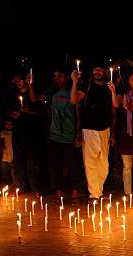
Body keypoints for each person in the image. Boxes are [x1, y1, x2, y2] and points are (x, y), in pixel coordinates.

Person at [27, 68, 80, 203]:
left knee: (72, 165)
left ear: (66, 77)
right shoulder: (51, 92)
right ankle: (59, 194)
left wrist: (78, 134)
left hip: (69, 135)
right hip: (54, 135)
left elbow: (79, 114)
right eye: (54, 76)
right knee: (55, 165)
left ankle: (75, 193)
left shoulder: (73, 91)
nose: (56, 78)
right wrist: (30, 85)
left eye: (59, 76)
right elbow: (34, 98)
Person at [70, 63, 115, 202]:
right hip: (88, 129)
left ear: (105, 71)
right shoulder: (87, 86)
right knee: (90, 163)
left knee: (104, 165)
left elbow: (115, 109)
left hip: (105, 130)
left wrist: (112, 133)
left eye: (100, 68)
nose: (97, 71)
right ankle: (94, 194)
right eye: (95, 68)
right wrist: (75, 82)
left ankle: (97, 191)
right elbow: (73, 100)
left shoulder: (110, 87)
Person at [5, 72, 46, 193]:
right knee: (18, 161)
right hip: (18, 132)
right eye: (15, 80)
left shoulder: (34, 93)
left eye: (20, 80)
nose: (18, 82)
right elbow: (6, 110)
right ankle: (22, 187)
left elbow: (42, 113)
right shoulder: (12, 94)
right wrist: (11, 114)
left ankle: (35, 187)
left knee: (32, 161)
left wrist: (30, 111)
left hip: (32, 133)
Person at [109, 71, 133, 198]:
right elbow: (115, 104)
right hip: (125, 135)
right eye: (132, 79)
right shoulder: (123, 94)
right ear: (128, 81)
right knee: (126, 166)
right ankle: (128, 193)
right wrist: (113, 91)